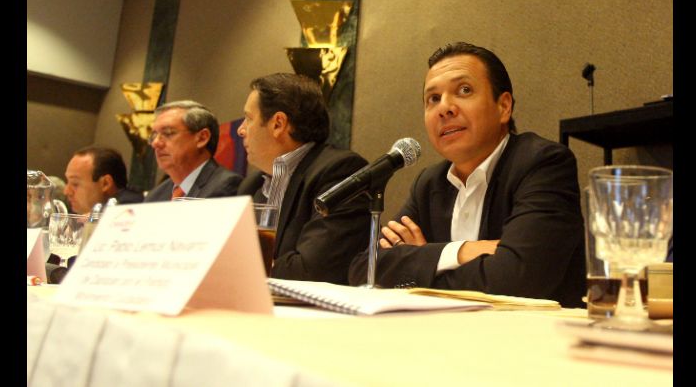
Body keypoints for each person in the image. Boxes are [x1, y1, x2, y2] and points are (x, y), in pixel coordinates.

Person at [348, 42, 585, 307]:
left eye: (464, 90)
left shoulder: (542, 163)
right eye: (433, 98)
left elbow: (518, 279)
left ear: (503, 107)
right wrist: (462, 251)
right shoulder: (429, 183)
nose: (444, 108)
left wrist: (422, 260)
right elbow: (364, 269)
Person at [236, 73, 370, 284]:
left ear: (278, 124)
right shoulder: (251, 186)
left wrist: (243, 267)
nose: (241, 130)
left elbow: (312, 270)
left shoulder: (340, 172)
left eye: (249, 119)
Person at [145, 100, 242, 201]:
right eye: (154, 135)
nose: (155, 143)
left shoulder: (226, 186)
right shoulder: (155, 196)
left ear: (202, 138)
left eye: (168, 133)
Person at [64, 146, 144, 214]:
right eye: (67, 182)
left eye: (75, 184)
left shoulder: (131, 206)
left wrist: (96, 217)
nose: (66, 191)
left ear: (106, 183)